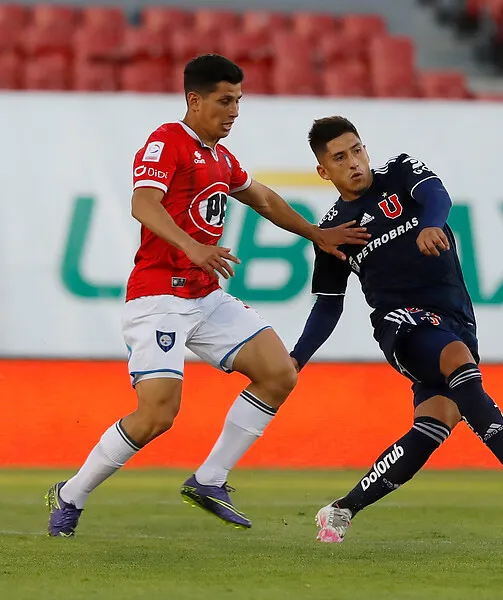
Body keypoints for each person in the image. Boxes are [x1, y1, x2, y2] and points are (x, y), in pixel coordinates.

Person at [46, 55, 369, 537]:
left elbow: (263, 198)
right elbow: (142, 203)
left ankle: (209, 479)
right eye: (224, 100)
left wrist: (316, 234)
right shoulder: (167, 141)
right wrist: (193, 246)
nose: (234, 110)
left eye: (238, 100)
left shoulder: (221, 157)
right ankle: (71, 495)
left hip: (204, 295)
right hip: (159, 296)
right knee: (158, 414)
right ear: (194, 100)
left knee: (279, 372)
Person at [290, 116, 503, 543]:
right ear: (324, 171)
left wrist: (431, 223)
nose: (354, 162)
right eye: (340, 158)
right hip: (401, 323)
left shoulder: (400, 171)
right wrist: (296, 359)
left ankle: (341, 509)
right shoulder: (333, 232)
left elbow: (437, 195)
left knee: (434, 425)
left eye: (357, 150)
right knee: (456, 359)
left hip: (454, 316)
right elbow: (328, 306)